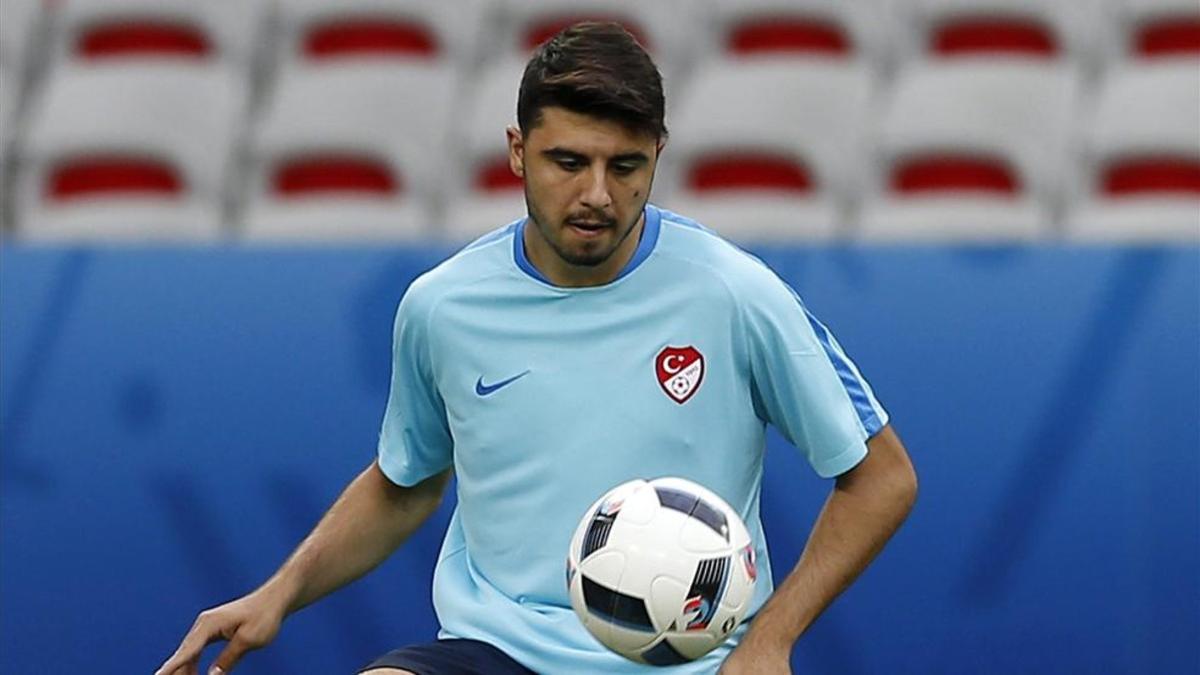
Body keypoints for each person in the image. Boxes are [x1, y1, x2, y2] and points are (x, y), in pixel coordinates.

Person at [157, 21, 917, 675]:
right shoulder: (442, 305)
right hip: (497, 648)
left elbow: (881, 475)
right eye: (568, 162)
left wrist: (770, 642)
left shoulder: (736, 292)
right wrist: (277, 593)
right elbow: (405, 481)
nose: (597, 194)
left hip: (688, 659)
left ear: (659, 153)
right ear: (518, 151)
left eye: (626, 167)